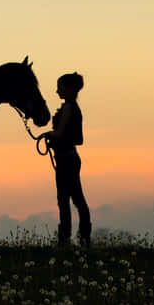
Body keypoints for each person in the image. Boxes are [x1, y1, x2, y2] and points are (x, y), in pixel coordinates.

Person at [44, 72, 91, 247]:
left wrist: (50, 135)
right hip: (68, 158)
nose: (57, 91)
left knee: (67, 200)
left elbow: (60, 132)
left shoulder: (69, 108)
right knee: (73, 199)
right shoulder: (71, 107)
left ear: (69, 88)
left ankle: (69, 239)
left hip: (66, 159)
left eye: (60, 87)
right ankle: (80, 238)